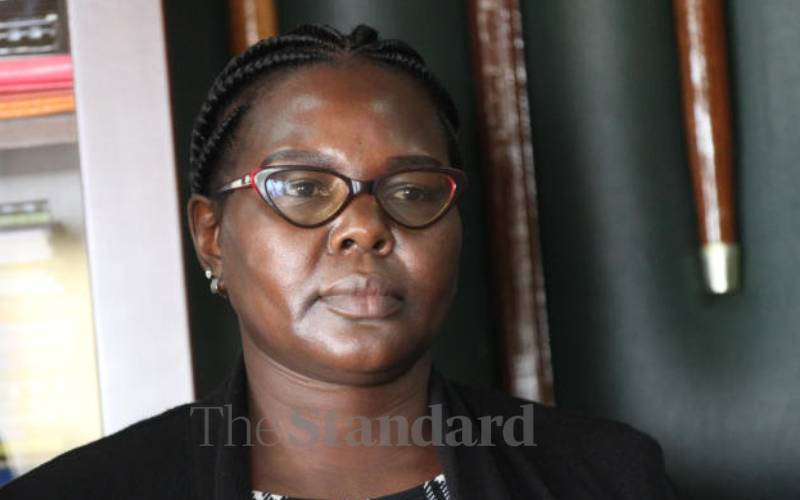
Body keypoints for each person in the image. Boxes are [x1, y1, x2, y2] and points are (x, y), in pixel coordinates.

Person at [0, 24, 678, 499]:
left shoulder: (607, 478)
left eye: (411, 191)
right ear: (212, 237)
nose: (365, 227)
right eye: (302, 187)